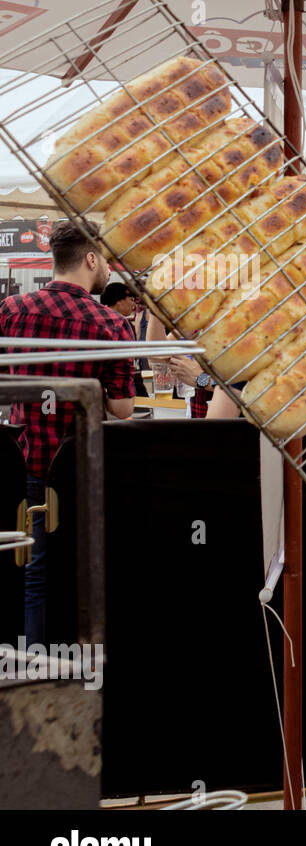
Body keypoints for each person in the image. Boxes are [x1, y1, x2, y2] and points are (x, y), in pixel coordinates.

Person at [1, 221, 136, 644]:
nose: (110, 270)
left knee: (32, 576)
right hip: (81, 473)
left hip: (23, 466)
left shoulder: (9, 310)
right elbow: (123, 409)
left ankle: (35, 672)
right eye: (106, 260)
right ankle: (85, 671)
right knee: (89, 574)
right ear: (90, 258)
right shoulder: (112, 324)